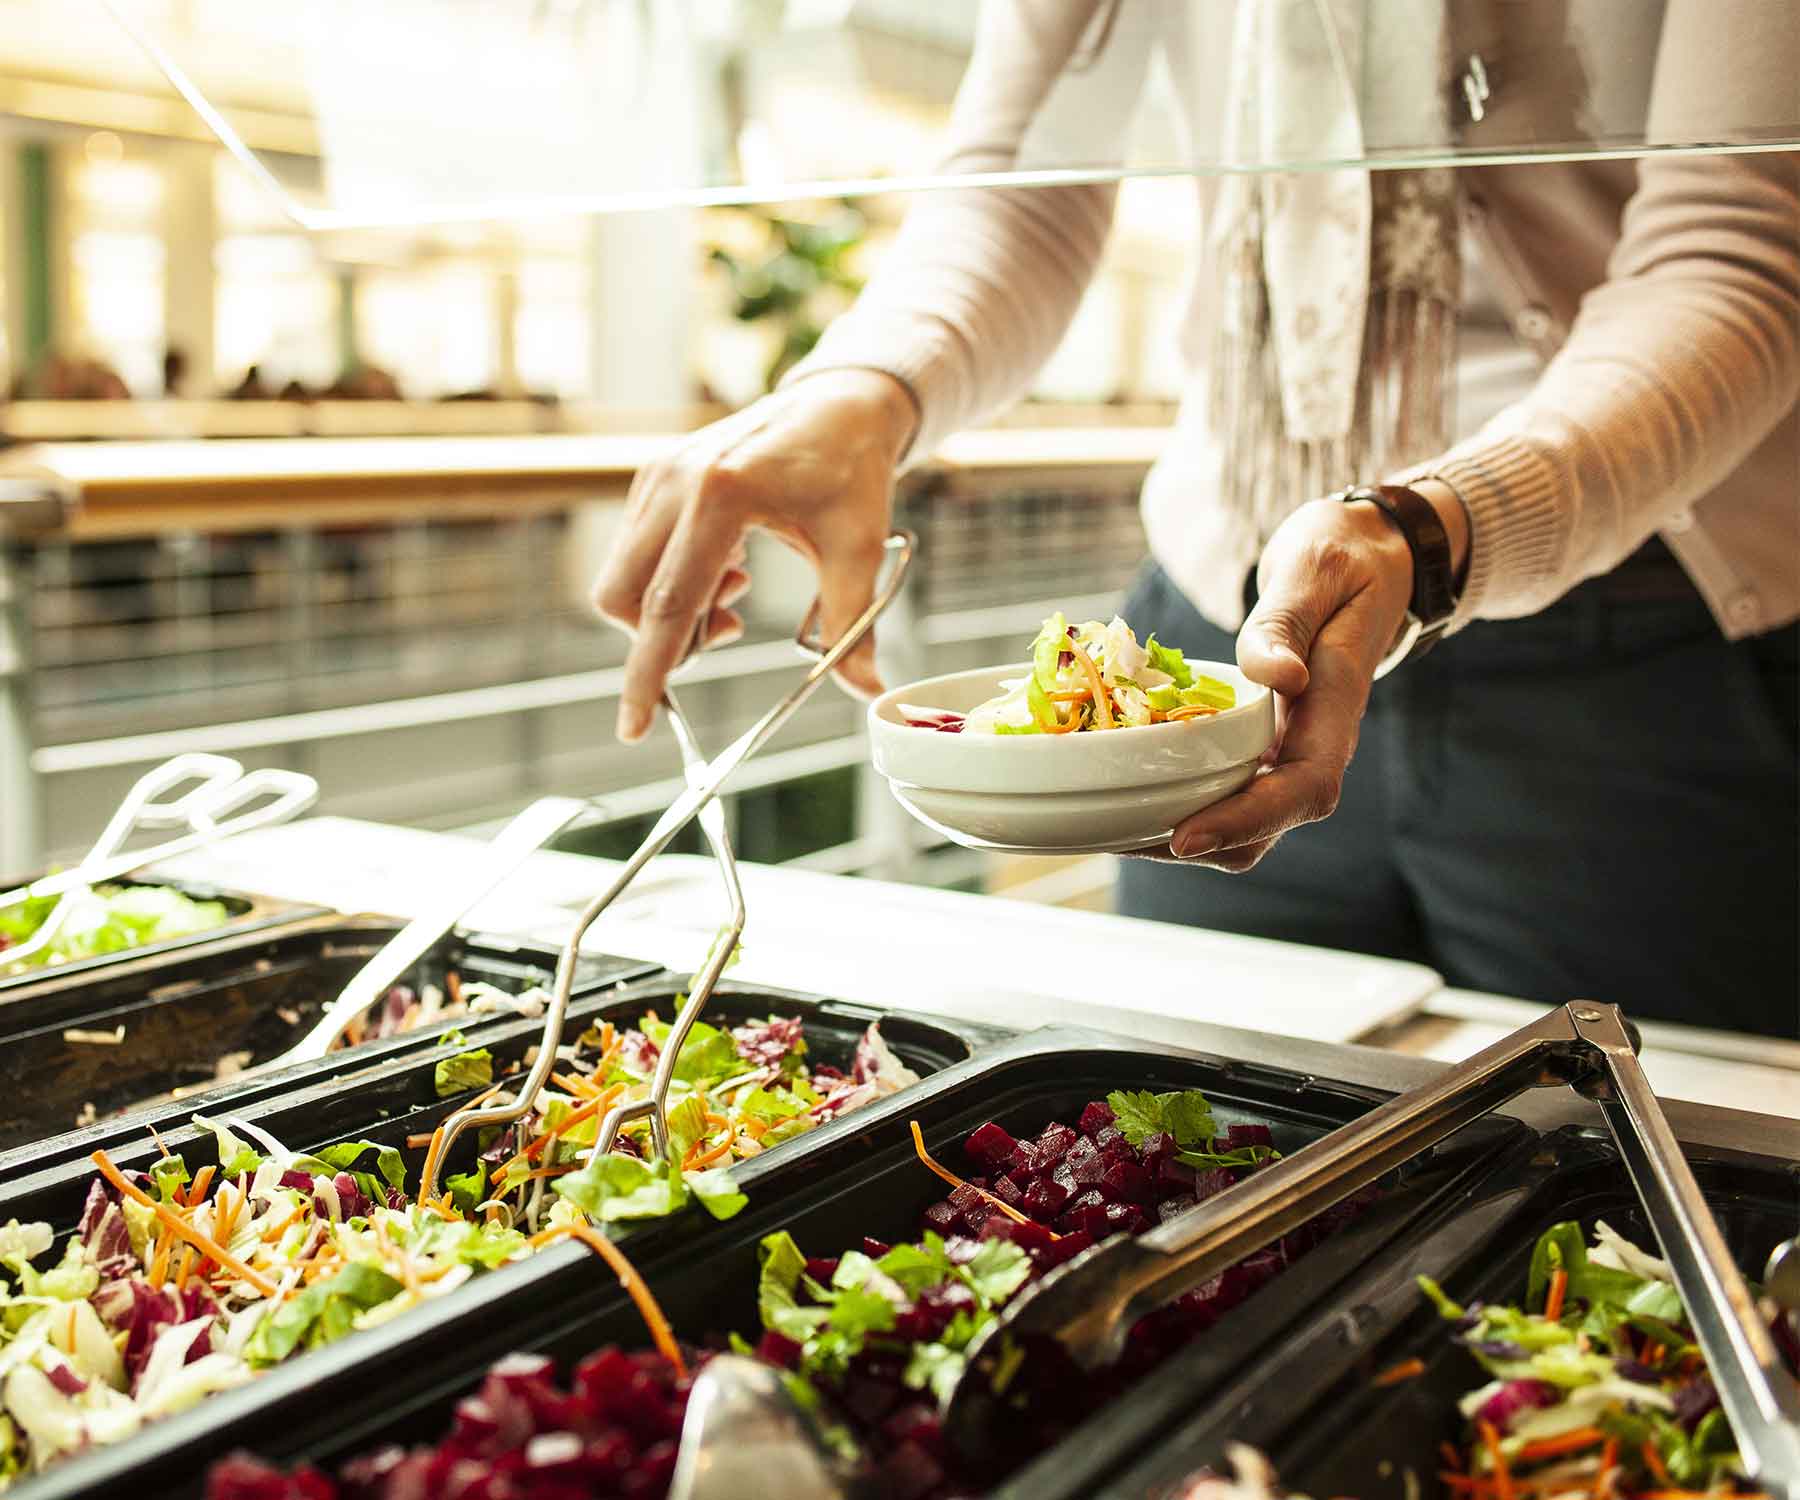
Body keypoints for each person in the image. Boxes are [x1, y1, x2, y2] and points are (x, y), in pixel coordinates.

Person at [593, 1, 1798, 1036]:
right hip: (1227, 642)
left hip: (1650, 651)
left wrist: (1430, 528)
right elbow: (1025, 177)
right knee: (1200, 1158)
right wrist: (861, 390)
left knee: (1649, 1213)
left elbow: (1739, 248)